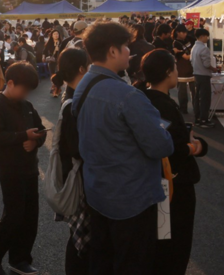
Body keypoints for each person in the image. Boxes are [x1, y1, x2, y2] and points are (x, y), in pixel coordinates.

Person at [73, 22, 173, 275]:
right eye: (126, 46)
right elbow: (161, 145)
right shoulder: (127, 96)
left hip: (97, 191)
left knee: (102, 260)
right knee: (133, 263)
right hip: (132, 199)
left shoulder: (84, 85)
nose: (130, 52)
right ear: (113, 51)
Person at [139, 49, 208, 275]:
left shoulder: (141, 98)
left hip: (153, 180)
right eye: (176, 68)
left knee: (161, 238)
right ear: (168, 72)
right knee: (175, 244)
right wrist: (194, 147)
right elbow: (173, 148)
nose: (178, 72)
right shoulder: (164, 105)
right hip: (174, 185)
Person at [0, 62, 47, 275]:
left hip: (30, 170)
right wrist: (24, 136)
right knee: (13, 217)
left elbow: (41, 130)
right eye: (25, 89)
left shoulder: (27, 106)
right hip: (10, 171)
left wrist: (36, 141)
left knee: (30, 217)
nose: (26, 93)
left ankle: (20, 259)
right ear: (10, 83)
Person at [50, 48, 91, 275]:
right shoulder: (74, 101)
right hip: (79, 179)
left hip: (72, 175)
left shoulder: (71, 93)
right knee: (80, 241)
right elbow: (77, 148)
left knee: (79, 238)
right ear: (81, 68)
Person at [191, 29, 218, 127]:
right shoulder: (204, 49)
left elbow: (191, 61)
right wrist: (214, 69)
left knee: (197, 97)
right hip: (204, 76)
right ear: (202, 36)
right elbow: (206, 64)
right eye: (206, 36)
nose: (207, 38)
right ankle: (204, 120)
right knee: (205, 99)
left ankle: (197, 118)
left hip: (196, 75)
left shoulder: (194, 47)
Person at [173, 25, 195, 114]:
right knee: (182, 91)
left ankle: (196, 107)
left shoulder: (189, 39)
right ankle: (183, 108)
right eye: (183, 32)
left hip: (192, 68)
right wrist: (195, 55)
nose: (185, 34)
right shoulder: (176, 43)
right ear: (178, 33)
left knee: (194, 91)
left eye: (186, 32)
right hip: (181, 69)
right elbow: (185, 57)